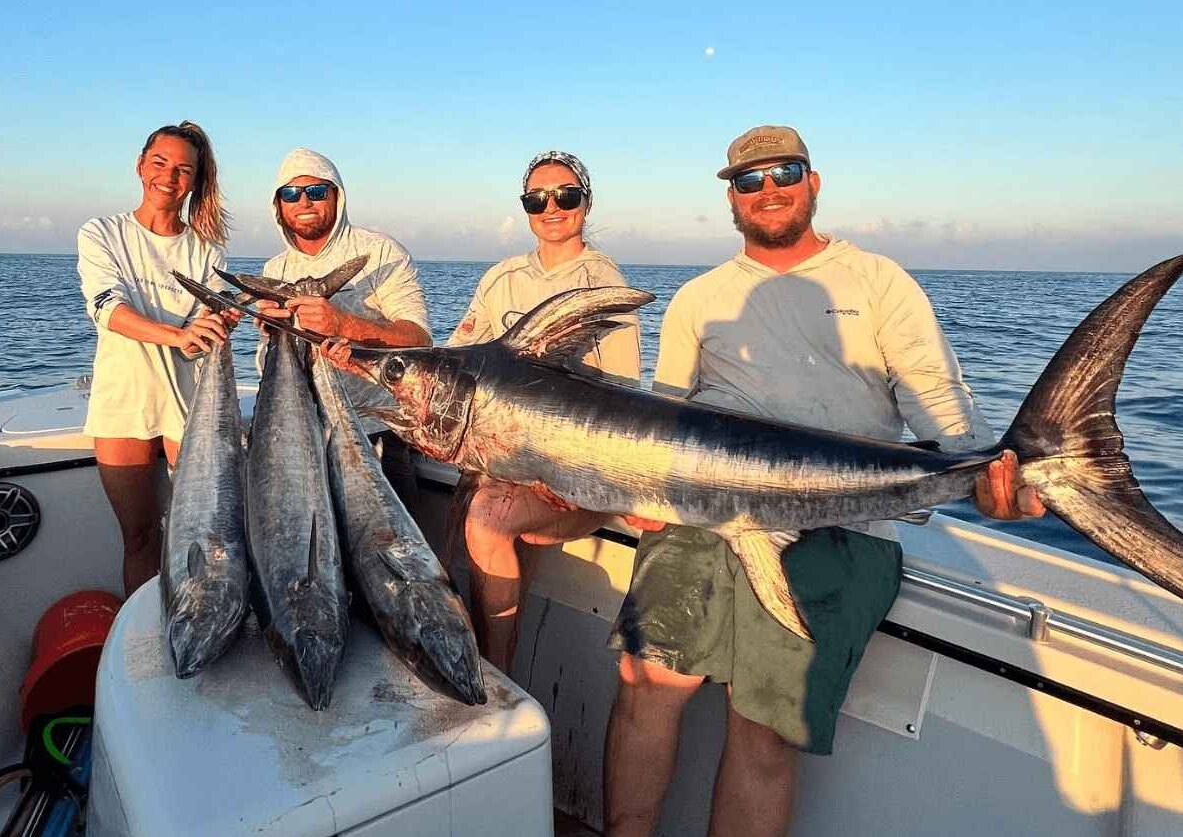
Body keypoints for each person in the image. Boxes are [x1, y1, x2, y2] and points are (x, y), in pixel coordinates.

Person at [602, 125, 1045, 836]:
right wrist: (638, 495)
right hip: (705, 517)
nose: (768, 191)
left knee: (763, 729)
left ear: (812, 181)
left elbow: (941, 409)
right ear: (731, 198)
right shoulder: (698, 298)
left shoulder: (878, 282)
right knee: (645, 685)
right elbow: (668, 425)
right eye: (749, 181)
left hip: (841, 528)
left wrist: (994, 479)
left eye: (784, 173)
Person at [448, 150, 642, 673]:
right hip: (506, 460)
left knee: (486, 522)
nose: (551, 207)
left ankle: (496, 676)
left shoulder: (604, 281)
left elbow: (621, 401)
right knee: (464, 524)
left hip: (577, 470)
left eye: (566, 196)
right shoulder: (502, 278)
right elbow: (457, 363)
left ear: (586, 202)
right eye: (537, 199)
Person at [78, 120, 238, 596]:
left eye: (183, 169)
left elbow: (205, 326)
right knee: (140, 537)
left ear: (195, 181)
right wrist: (179, 333)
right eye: (160, 162)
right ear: (140, 165)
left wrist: (218, 326)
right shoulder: (102, 233)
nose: (168, 176)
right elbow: (108, 308)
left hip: (186, 408)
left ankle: (201, 625)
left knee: (203, 541)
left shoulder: (207, 251)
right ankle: (147, 641)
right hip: (120, 405)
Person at [253, 148, 431, 505]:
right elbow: (265, 365)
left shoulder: (382, 253)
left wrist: (344, 323)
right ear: (279, 206)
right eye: (291, 193)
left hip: (377, 431)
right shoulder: (274, 271)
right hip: (299, 436)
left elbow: (420, 340)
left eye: (317, 191)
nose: (304, 201)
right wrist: (272, 334)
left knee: (391, 552)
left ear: (337, 195)